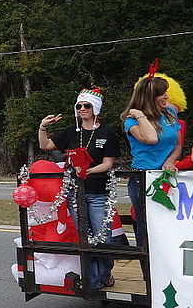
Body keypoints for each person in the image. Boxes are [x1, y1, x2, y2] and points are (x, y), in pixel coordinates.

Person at [38, 86, 120, 288]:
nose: (82, 109)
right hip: (76, 192)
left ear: (95, 108)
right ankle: (92, 279)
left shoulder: (106, 132)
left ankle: (104, 275)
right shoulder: (71, 132)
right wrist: (42, 127)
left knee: (103, 236)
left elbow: (108, 163)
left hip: (98, 192)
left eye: (86, 106)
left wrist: (89, 171)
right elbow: (45, 146)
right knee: (84, 236)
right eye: (79, 105)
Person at [120, 72, 183, 250]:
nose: (167, 97)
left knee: (170, 221)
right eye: (162, 93)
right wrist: (140, 115)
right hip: (143, 179)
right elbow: (151, 139)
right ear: (150, 97)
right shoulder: (131, 121)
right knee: (147, 226)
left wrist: (170, 161)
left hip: (168, 176)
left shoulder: (170, 112)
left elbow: (178, 145)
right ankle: (149, 271)